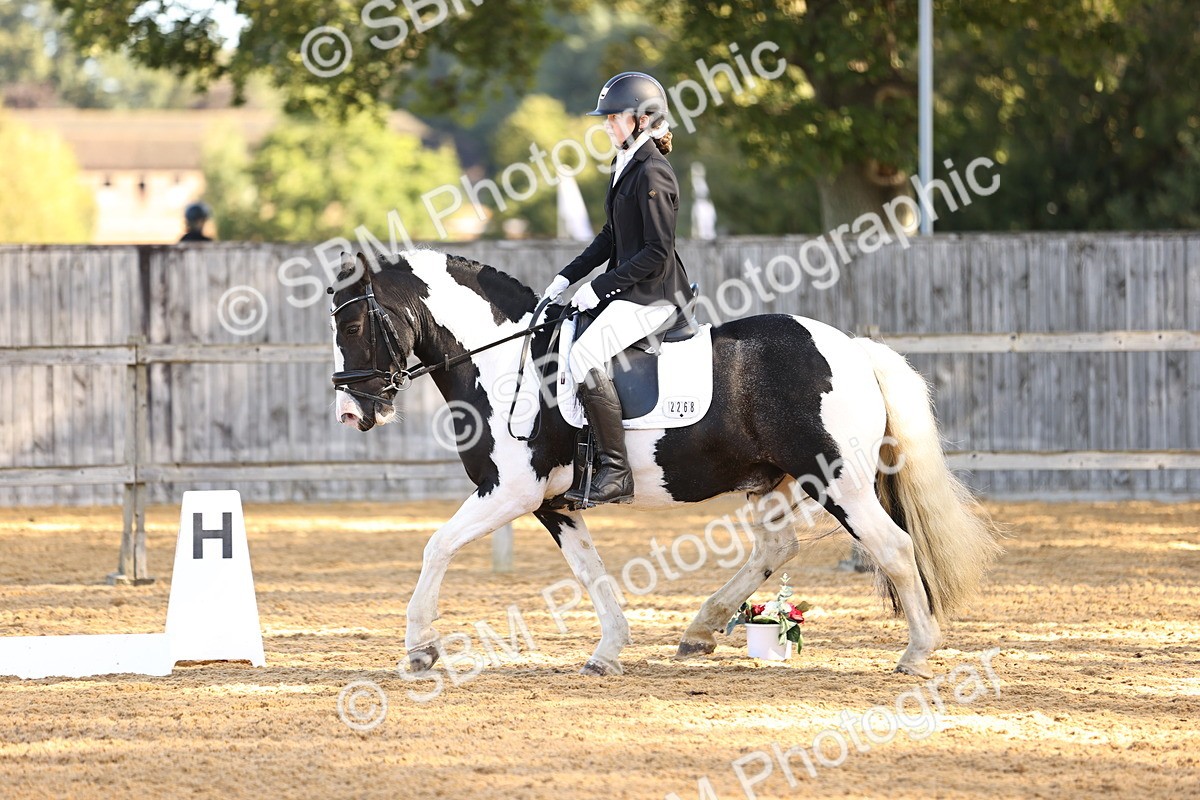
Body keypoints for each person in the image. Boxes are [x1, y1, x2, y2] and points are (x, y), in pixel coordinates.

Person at [542, 71, 696, 507]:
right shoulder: (624, 165)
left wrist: (601, 288)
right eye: (606, 118)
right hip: (631, 292)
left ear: (643, 120)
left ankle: (615, 471)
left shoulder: (653, 172)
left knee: (584, 355)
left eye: (614, 118)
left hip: (656, 296)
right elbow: (611, 237)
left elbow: (656, 253)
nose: (606, 125)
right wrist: (569, 276)